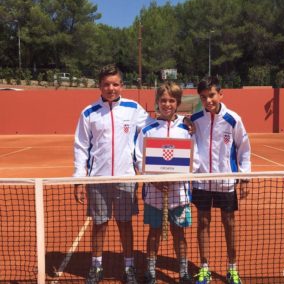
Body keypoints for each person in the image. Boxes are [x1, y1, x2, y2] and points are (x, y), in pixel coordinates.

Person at [73, 64, 153, 284]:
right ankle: (96, 266)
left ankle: (129, 267)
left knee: (125, 223)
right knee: (99, 224)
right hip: (98, 179)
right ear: (100, 86)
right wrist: (79, 179)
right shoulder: (88, 113)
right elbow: (81, 147)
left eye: (115, 84)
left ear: (122, 86)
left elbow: (154, 128)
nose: (111, 88)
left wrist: (182, 123)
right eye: (107, 84)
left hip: (126, 178)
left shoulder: (134, 109)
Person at [135, 82, 200, 284]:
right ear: (157, 102)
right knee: (153, 233)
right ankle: (151, 271)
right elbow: (139, 159)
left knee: (179, 234)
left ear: (178, 102)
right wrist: (154, 180)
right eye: (163, 100)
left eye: (172, 100)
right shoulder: (148, 130)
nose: (167, 104)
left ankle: (183, 272)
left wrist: (177, 177)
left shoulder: (187, 129)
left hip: (179, 193)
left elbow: (194, 159)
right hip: (154, 193)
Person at [191, 76, 251, 284]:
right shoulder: (196, 119)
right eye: (204, 97)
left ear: (220, 94)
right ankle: (204, 267)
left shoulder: (233, 119)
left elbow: (243, 148)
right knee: (203, 223)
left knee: (229, 223)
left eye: (212, 95)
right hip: (202, 182)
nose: (208, 100)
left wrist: (244, 178)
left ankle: (232, 268)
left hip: (226, 181)